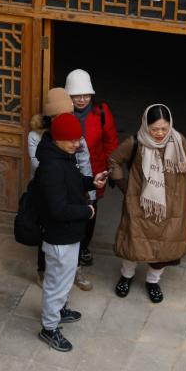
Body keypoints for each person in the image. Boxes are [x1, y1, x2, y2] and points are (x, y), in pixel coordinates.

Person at [35, 113, 108, 352]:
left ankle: (59, 310)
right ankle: (49, 328)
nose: (77, 144)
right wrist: (86, 211)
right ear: (57, 138)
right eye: (72, 140)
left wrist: (91, 182)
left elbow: (73, 183)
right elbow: (58, 209)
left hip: (68, 233)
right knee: (57, 283)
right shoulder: (51, 167)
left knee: (63, 279)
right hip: (60, 236)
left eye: (79, 139)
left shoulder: (63, 156)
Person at [108, 104, 186, 303]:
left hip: (171, 207)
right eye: (155, 129)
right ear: (146, 126)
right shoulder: (135, 142)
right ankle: (126, 276)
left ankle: (153, 281)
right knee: (134, 244)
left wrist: (181, 198)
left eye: (164, 128)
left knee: (164, 248)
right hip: (140, 205)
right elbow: (114, 160)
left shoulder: (179, 141)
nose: (160, 133)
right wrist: (123, 185)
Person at [29, 87, 94, 291]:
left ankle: (73, 271)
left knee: (73, 237)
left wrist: (90, 185)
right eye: (58, 115)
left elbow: (84, 160)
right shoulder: (39, 138)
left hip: (72, 187)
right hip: (50, 190)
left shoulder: (73, 133)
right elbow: (40, 166)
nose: (64, 118)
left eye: (68, 114)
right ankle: (44, 273)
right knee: (49, 234)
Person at [65, 68, 119, 268]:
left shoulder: (101, 112)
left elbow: (110, 143)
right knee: (67, 207)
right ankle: (68, 246)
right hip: (67, 171)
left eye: (86, 95)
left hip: (94, 172)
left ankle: (84, 247)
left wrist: (112, 171)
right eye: (76, 95)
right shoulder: (62, 114)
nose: (82, 100)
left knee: (90, 210)